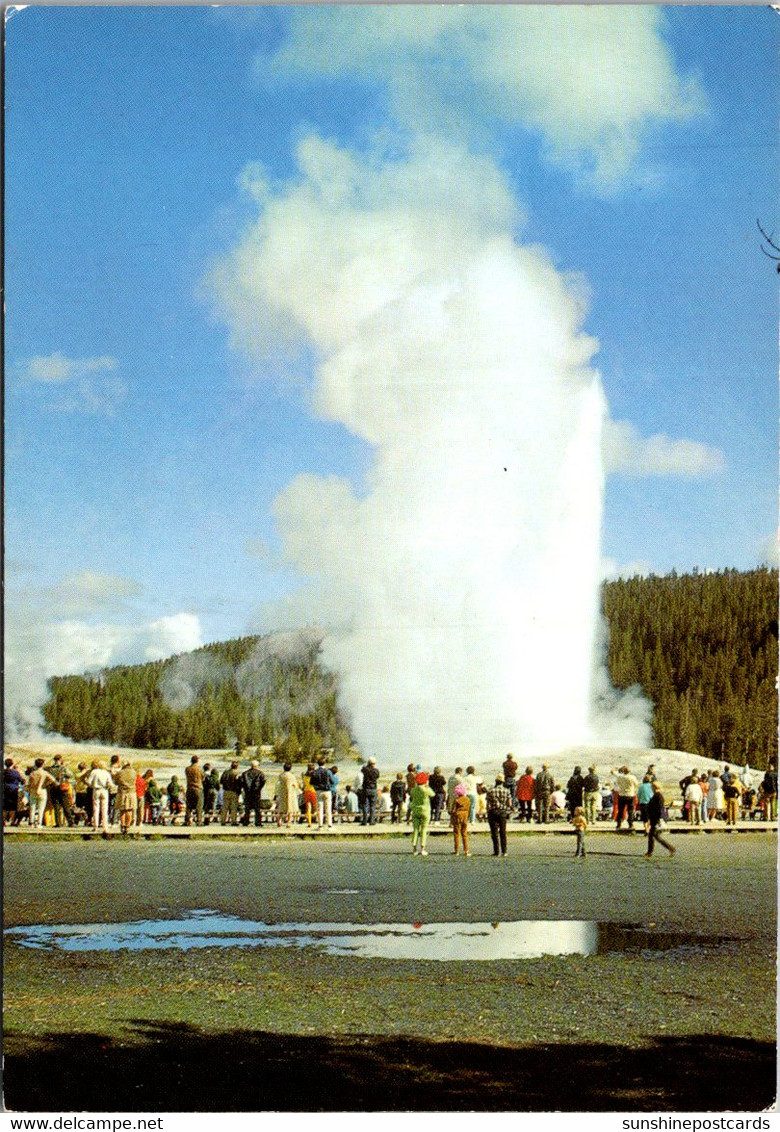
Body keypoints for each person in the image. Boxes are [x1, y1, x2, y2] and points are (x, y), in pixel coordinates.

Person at [645, 782, 676, 858]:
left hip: (656, 818)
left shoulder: (658, 796)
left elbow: (659, 808)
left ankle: (650, 852)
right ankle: (670, 848)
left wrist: (659, 819)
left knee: (652, 835)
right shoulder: (656, 795)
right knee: (654, 836)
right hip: (653, 818)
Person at [485, 773, 512, 857]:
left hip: (493, 812)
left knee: (494, 833)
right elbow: (509, 803)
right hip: (502, 812)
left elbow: (488, 805)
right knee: (503, 832)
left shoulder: (490, 791)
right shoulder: (507, 791)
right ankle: (504, 851)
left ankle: (496, 851)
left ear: (496, 781)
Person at [410, 771, 434, 856]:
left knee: (415, 829)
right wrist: (427, 786)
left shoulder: (413, 790)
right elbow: (433, 794)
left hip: (415, 811)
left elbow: (411, 796)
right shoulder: (426, 790)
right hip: (425, 811)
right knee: (424, 830)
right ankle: (423, 848)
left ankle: (414, 848)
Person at [87, 760, 114, 833]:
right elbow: (111, 784)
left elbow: (89, 782)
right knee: (104, 809)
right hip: (104, 790)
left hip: (96, 790)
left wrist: (93, 785)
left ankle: (95, 826)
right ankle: (105, 827)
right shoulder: (106, 773)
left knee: (96, 808)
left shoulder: (94, 772)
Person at [26, 759, 55, 829]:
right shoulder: (45, 773)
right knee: (41, 808)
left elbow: (29, 784)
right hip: (42, 791)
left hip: (33, 791)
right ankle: (39, 823)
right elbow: (53, 780)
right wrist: (45, 784)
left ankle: (31, 823)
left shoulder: (32, 773)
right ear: (43, 764)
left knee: (32, 807)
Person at [48, 755, 75, 827]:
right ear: (60, 759)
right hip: (62, 787)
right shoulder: (63, 768)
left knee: (56, 806)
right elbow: (71, 775)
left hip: (53, 787)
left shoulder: (50, 768)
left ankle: (58, 823)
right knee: (65, 805)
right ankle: (70, 822)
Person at [310, 758, 335, 828]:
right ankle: (329, 824)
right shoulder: (328, 771)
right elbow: (332, 781)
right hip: (327, 791)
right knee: (328, 808)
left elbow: (311, 782)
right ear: (325, 763)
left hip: (318, 791)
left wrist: (316, 786)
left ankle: (320, 824)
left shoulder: (315, 772)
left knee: (319, 808)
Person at [274, 762, 300, 828]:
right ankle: (288, 822)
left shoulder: (281, 775)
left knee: (281, 808)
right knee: (290, 808)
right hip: (291, 793)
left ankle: (279, 821)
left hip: (282, 793)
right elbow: (295, 785)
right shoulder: (292, 776)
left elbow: (279, 784)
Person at [115, 761, 137, 834]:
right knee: (129, 810)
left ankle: (122, 825)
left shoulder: (120, 772)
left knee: (122, 810)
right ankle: (127, 826)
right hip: (131, 792)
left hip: (122, 792)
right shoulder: (134, 772)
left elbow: (116, 782)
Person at [242, 760, 266, 827]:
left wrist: (245, 789)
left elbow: (241, 782)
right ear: (256, 766)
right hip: (256, 792)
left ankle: (246, 822)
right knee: (257, 809)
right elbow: (263, 781)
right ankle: (258, 822)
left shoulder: (245, 773)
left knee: (247, 808)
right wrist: (259, 788)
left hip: (247, 793)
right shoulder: (260, 773)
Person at [450, 782, 471, 856]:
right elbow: (469, 809)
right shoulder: (467, 799)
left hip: (457, 816)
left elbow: (453, 810)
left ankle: (457, 850)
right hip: (465, 815)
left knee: (456, 833)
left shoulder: (456, 800)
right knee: (464, 833)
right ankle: (466, 850)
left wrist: (451, 819)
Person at [615, 766, 638, 831]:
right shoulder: (632, 777)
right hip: (630, 795)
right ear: (629, 771)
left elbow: (618, 784)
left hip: (621, 794)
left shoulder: (620, 777)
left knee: (620, 810)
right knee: (630, 810)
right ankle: (630, 824)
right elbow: (636, 784)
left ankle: (618, 824)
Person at [3, 759, 25, 825]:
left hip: (4, 789)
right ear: (12, 764)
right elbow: (21, 781)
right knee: (13, 806)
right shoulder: (15, 772)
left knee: (4, 806)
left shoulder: (3, 772)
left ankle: (3, 821)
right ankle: (12, 821)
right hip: (13, 789)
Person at [184, 755, 205, 826]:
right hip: (198, 788)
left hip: (189, 788)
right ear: (197, 761)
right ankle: (199, 821)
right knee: (199, 806)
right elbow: (203, 778)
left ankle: (187, 821)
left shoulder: (187, 769)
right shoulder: (200, 769)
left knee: (189, 806)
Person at [220, 761, 243, 825]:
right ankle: (233, 821)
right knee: (233, 808)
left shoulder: (225, 772)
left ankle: (223, 821)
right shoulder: (237, 773)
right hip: (234, 792)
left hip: (226, 791)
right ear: (237, 766)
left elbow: (221, 781)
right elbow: (240, 783)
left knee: (225, 807)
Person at [360, 758, 380, 825]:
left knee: (365, 805)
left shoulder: (365, 770)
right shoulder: (376, 771)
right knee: (372, 806)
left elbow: (362, 770)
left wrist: (367, 765)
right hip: (373, 788)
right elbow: (377, 776)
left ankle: (364, 820)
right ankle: (372, 821)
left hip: (366, 789)